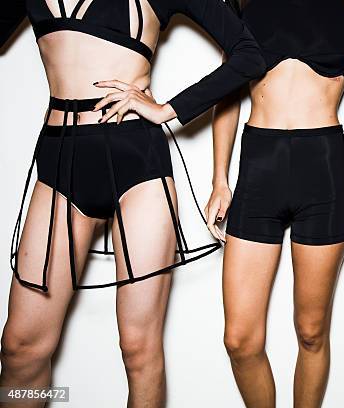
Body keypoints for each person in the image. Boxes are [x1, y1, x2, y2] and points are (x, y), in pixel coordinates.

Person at [0, 0, 264, 406]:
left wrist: (167, 110)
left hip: (138, 167)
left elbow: (249, 54)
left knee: (138, 350)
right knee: (20, 349)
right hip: (60, 165)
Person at [203, 0, 344, 406]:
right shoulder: (243, 4)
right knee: (239, 339)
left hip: (320, 170)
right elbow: (227, 87)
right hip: (258, 170)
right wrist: (220, 177)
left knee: (310, 331)